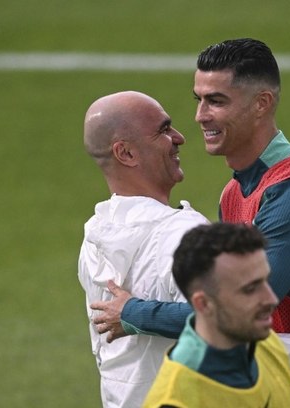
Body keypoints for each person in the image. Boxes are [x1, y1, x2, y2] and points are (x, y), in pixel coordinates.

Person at [92, 38, 290, 407]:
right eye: (198, 100)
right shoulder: (233, 195)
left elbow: (231, 312)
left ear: (261, 104)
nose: (201, 115)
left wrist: (133, 313)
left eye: (216, 101)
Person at [78, 91, 210, 408]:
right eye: (163, 130)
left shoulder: (93, 237)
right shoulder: (184, 235)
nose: (179, 138)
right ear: (126, 153)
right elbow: (226, 326)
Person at [143, 223, 290, 408]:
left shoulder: (266, 343)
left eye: (265, 281)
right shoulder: (175, 401)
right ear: (203, 304)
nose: (271, 299)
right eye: (250, 289)